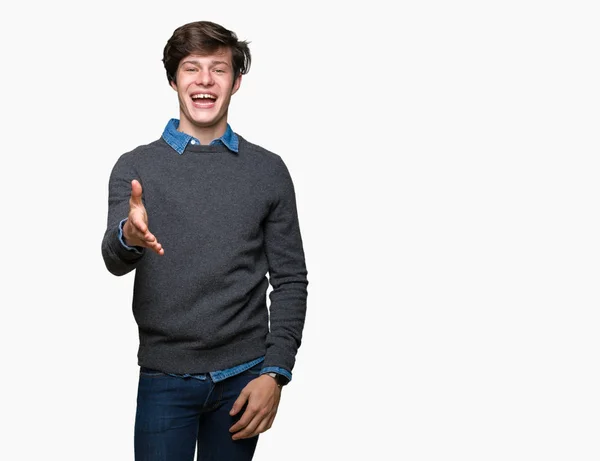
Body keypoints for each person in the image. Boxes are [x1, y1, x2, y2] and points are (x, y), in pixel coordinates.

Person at [101, 20, 308, 461]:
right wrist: (130, 236)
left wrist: (276, 372)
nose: (205, 81)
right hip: (164, 376)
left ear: (235, 82)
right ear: (174, 78)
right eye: (192, 68)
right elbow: (115, 259)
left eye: (219, 69)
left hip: (244, 378)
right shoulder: (135, 167)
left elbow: (290, 279)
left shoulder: (268, 170)